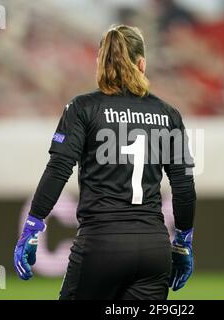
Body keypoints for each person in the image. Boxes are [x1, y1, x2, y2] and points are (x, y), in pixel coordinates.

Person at [13, 25, 196, 300]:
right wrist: (182, 243)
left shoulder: (83, 108)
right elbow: (183, 187)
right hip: (153, 249)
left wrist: (33, 224)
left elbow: (59, 169)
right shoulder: (168, 114)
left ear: (100, 63)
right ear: (142, 64)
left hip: (100, 245)